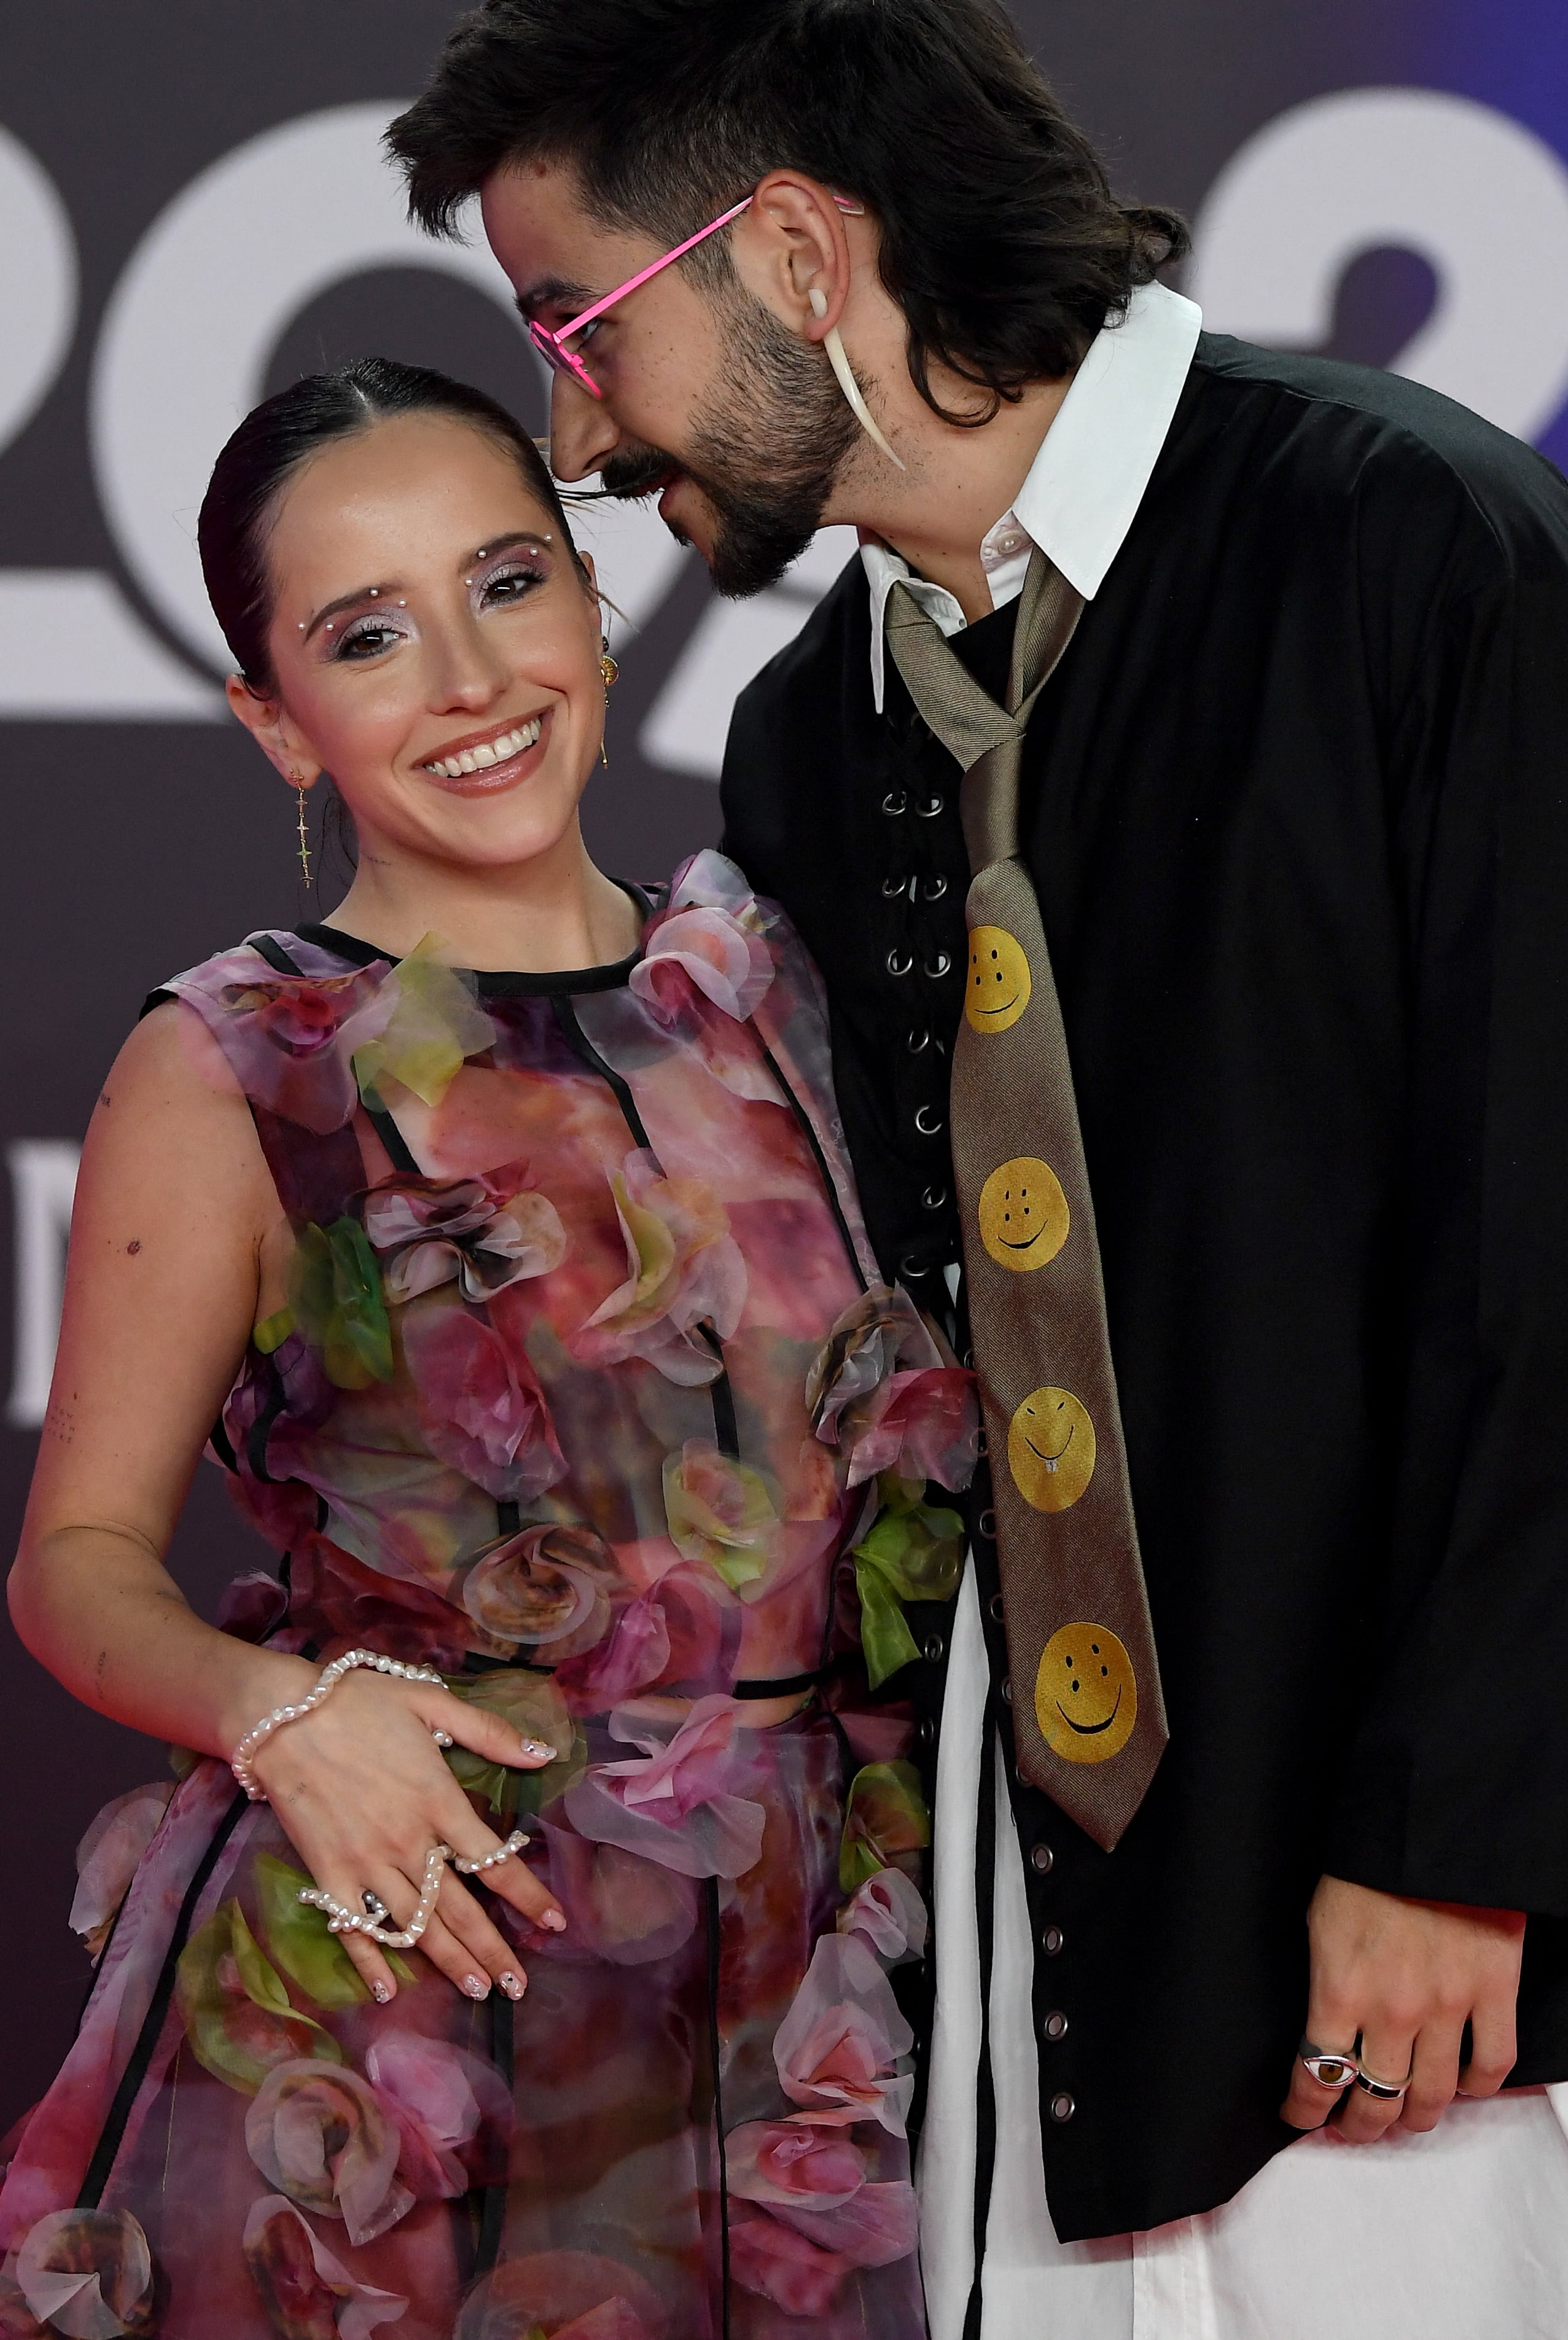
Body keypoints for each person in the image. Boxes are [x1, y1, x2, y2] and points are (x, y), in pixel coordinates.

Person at [388, 3, 1568, 2333]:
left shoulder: (1406, 542)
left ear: (803, 251)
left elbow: (1547, 1249)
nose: (573, 436)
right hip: (1028, 1970)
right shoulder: (804, 739)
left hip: (1431, 1963)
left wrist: (1460, 1848)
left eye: (580, 325)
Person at [0, 354, 979, 2336]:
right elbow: (74, 1564)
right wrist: (283, 1711)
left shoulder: (770, 983)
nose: (469, 675)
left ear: (593, 604)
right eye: (370, 635)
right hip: (409, 1999)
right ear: (277, 720)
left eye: (509, 582)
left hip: (808, 2001)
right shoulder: (235, 1067)